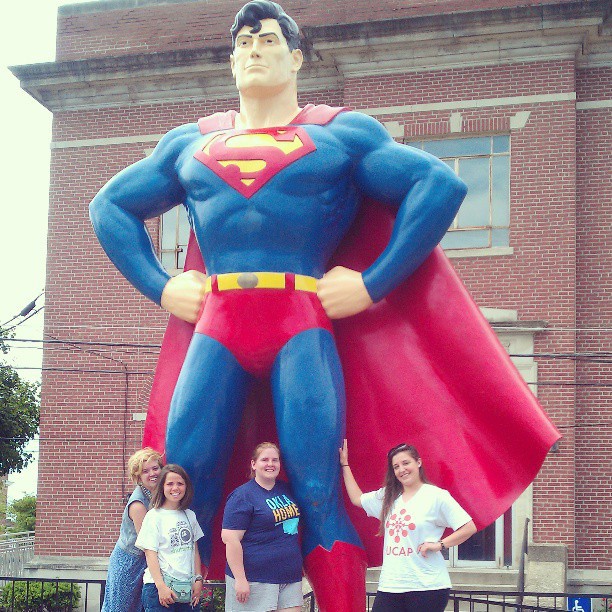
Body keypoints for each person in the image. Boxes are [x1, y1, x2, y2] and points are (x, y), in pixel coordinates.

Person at [90, 0, 560, 608]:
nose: (253, 50)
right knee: (184, 482)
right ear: (230, 62)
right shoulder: (190, 142)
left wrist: (373, 283)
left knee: (317, 488)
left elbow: (437, 185)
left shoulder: (339, 134)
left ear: (296, 57)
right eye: (242, 43)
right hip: (219, 326)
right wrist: (159, 285)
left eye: (266, 39)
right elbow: (109, 207)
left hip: (299, 327)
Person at [340, 439, 477, 612]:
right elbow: (357, 499)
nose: (402, 470)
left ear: (418, 462)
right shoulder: (388, 496)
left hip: (427, 587)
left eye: (406, 463)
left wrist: (439, 545)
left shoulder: (436, 496)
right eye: (396, 467)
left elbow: (468, 527)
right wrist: (345, 464)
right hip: (390, 585)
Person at [221, 442, 302, 612]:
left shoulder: (287, 489)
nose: (270, 464)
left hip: (290, 576)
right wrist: (240, 579)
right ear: (253, 464)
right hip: (255, 579)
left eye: (275, 460)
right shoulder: (242, 496)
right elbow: (231, 540)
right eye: (265, 460)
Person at [136, 464, 205, 611]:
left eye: (180, 483)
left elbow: (194, 550)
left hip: (186, 588)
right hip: (159, 588)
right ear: (162, 487)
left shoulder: (190, 515)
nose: (175, 488)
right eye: (170, 484)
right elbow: (150, 553)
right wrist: (161, 586)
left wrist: (198, 578)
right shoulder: (154, 516)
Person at [102, 447, 163, 612]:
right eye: (145, 471)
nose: (152, 473)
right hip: (129, 563)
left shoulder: (159, 495)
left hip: (146, 561)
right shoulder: (138, 504)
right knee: (121, 608)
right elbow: (147, 542)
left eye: (155, 468)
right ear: (138, 477)